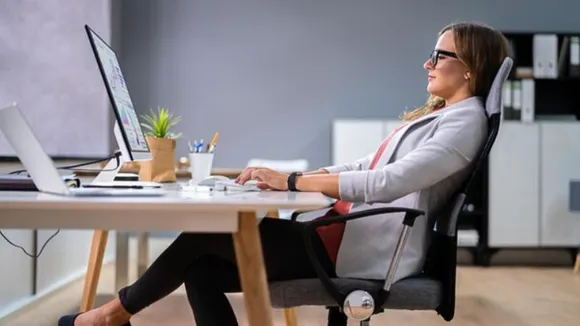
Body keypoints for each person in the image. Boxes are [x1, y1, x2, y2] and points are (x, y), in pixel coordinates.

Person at [59, 21, 509, 326]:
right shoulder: (443, 117)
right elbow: (368, 166)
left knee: (203, 236)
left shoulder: (464, 123)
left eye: (439, 54)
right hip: (339, 237)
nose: (427, 63)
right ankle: (111, 316)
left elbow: (388, 184)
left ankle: (110, 315)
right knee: (203, 269)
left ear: (469, 64)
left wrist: (294, 183)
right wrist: (297, 176)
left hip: (355, 252)